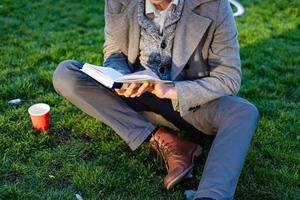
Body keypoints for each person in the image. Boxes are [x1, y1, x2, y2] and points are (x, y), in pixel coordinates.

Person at [52, 0, 260, 199]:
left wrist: (173, 89)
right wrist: (122, 79)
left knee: (243, 112)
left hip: (189, 103)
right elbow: (115, 53)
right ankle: (167, 142)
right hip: (137, 95)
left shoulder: (213, 5)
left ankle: (211, 196)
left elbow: (229, 77)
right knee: (66, 73)